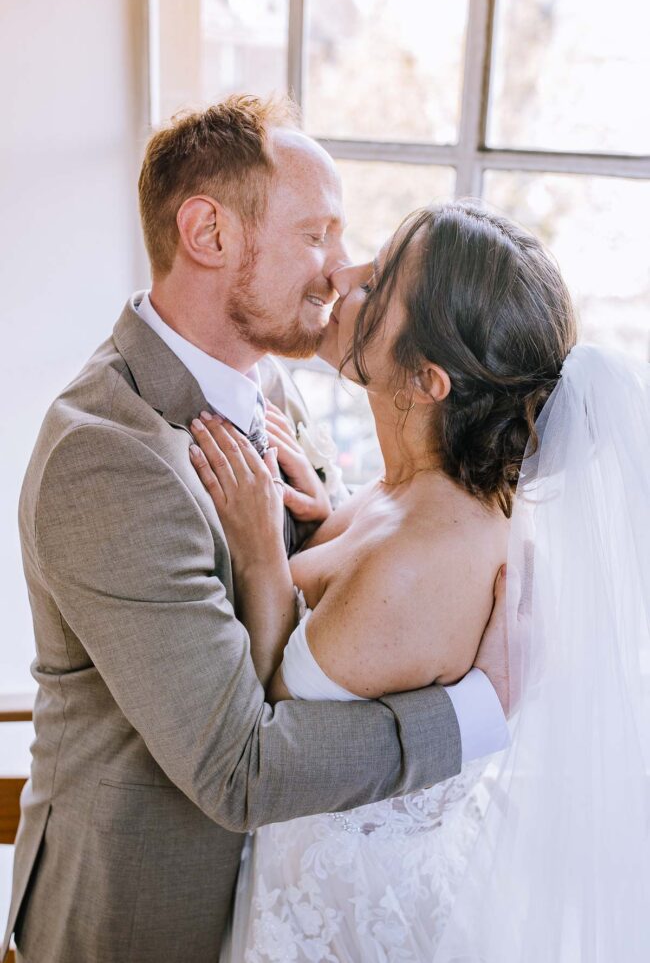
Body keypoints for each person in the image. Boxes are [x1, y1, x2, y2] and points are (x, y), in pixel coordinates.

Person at [2, 97, 510, 963]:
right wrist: (473, 715)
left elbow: (292, 605)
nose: (341, 271)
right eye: (317, 235)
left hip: (276, 903)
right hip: (145, 921)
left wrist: (333, 517)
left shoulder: (264, 383)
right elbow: (239, 766)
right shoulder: (107, 458)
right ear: (208, 232)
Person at [189, 200, 580, 960]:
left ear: (427, 379)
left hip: (344, 924)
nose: (344, 273)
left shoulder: (421, 560)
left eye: (380, 279)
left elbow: (273, 717)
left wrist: (260, 550)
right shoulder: (414, 488)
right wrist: (329, 509)